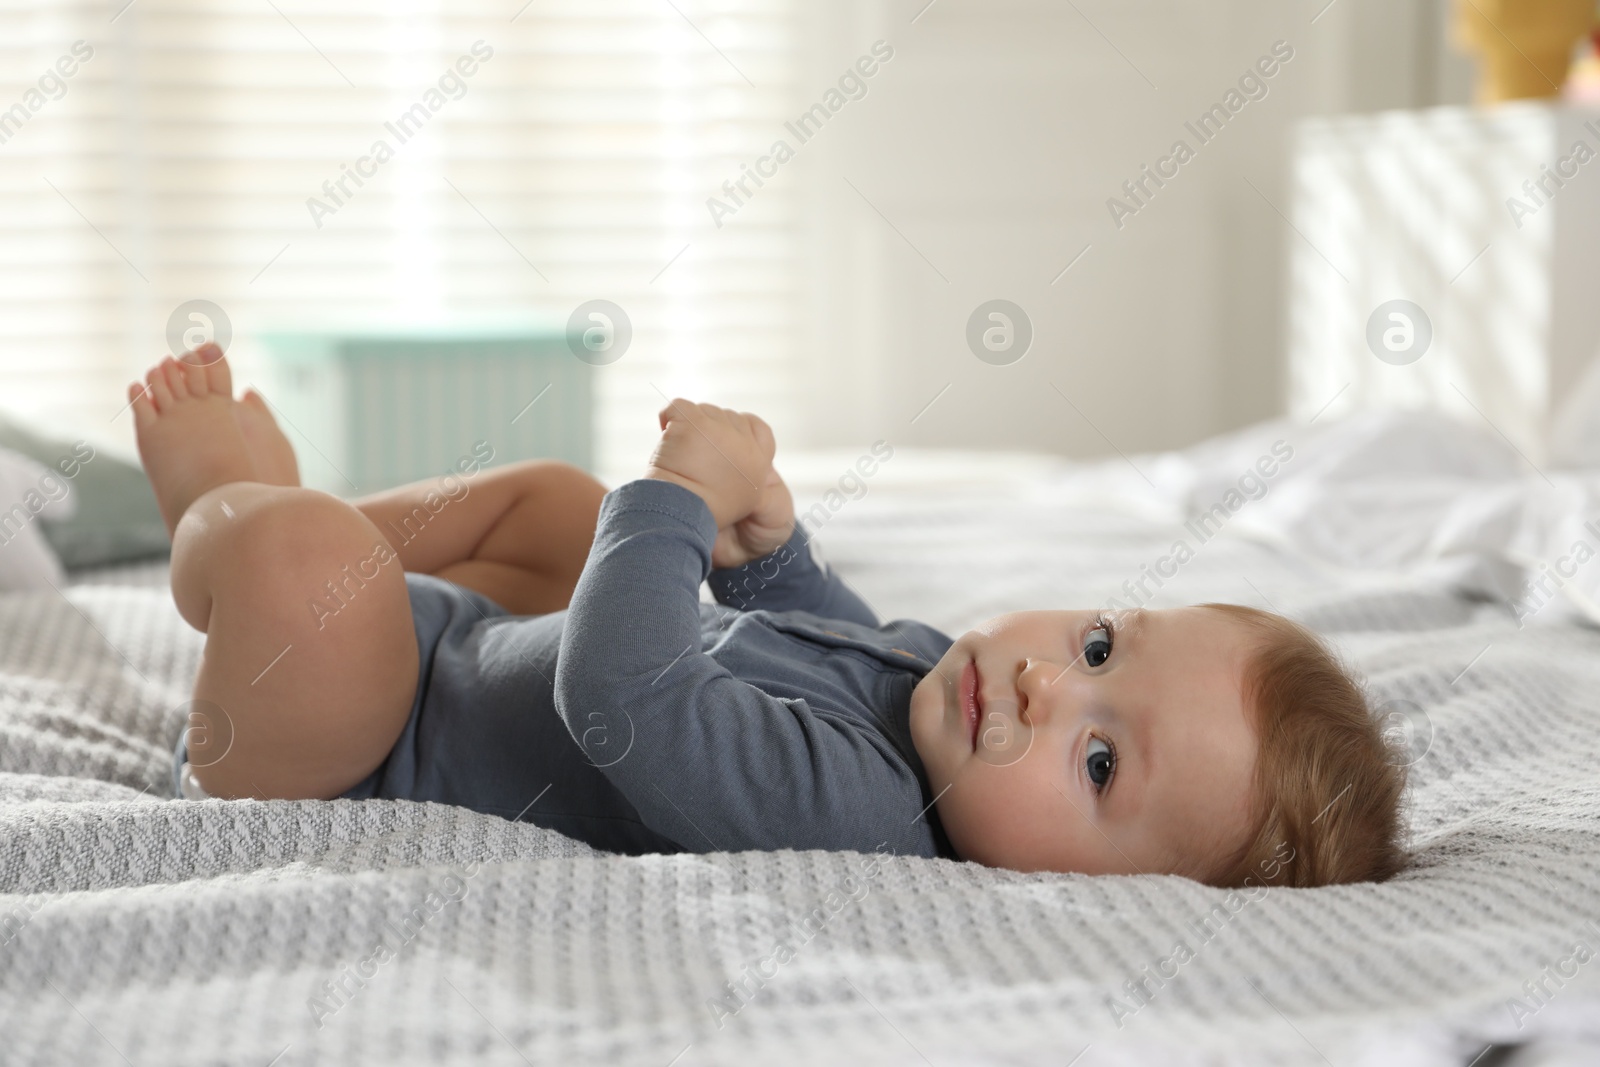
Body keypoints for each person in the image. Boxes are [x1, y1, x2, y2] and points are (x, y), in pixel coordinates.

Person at [136, 345, 1405, 889]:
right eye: (1097, 645)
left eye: (1099, 758)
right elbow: (825, 631)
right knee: (562, 504)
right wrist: (767, 547)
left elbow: (621, 695)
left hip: (355, 748)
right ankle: (306, 535)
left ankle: (228, 521)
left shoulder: (851, 813)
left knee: (306, 561)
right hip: (467, 650)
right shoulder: (942, 698)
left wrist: (683, 500)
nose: (1044, 687)